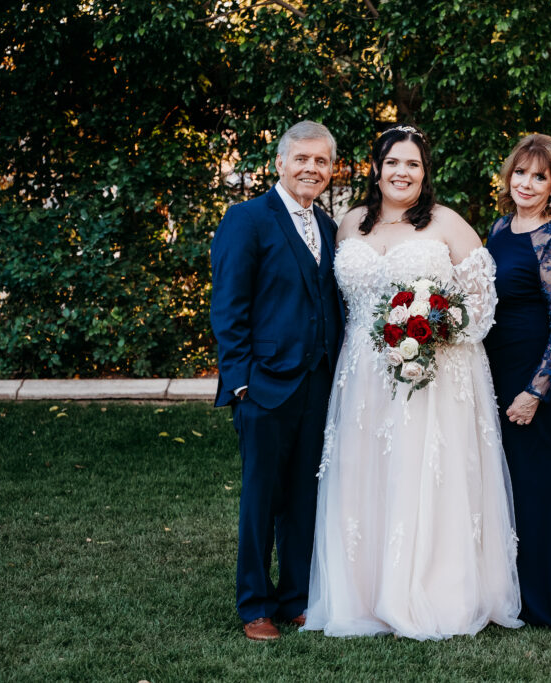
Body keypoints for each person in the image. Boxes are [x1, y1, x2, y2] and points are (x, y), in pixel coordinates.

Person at [302, 125, 523, 640]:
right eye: (393, 162)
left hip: (433, 373)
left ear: (426, 173)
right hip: (361, 374)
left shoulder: (448, 224)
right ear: (375, 169)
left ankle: (433, 591)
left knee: (423, 472)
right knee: (365, 474)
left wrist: (433, 329)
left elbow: (483, 304)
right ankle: (362, 592)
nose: (402, 172)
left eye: (414, 164)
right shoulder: (349, 223)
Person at [210, 120, 344, 641]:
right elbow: (229, 305)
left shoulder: (328, 227)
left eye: (322, 162)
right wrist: (240, 381)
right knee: (261, 500)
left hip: (318, 384)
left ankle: (294, 598)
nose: (311, 169)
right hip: (264, 385)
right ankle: (254, 605)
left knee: (305, 497)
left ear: (331, 171)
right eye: (302, 159)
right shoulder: (247, 219)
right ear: (280, 163)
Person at [484, 134, 551, 631]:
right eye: (520, 173)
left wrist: (535, 391)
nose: (526, 183)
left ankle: (550, 599)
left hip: (535, 377)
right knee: (503, 485)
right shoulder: (501, 228)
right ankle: (511, 592)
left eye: (539, 176)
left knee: (538, 486)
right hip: (496, 369)